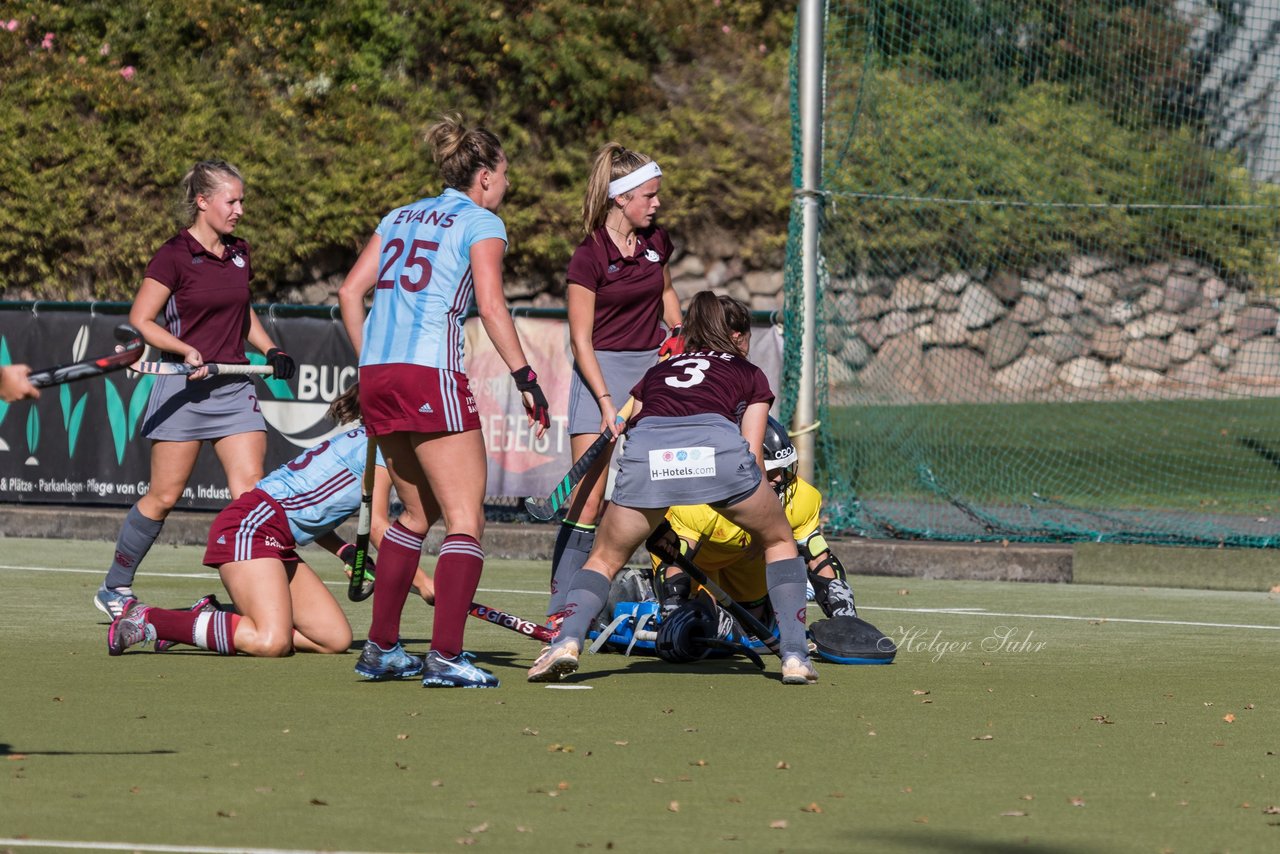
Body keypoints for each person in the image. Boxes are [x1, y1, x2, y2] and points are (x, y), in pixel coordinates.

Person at [338, 114, 550, 689]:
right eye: (504, 175)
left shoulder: (399, 215)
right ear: (484, 176)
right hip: (430, 373)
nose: (506, 185)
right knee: (465, 520)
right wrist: (527, 378)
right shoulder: (482, 222)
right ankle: (447, 656)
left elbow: (349, 292)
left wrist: (370, 363)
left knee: (415, 515)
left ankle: (381, 650)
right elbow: (491, 305)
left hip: (379, 373)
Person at [528, 292, 818, 685]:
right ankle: (796, 657)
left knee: (604, 559)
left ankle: (566, 641)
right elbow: (751, 452)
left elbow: (616, 426)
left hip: (649, 462)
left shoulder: (657, 372)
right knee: (778, 539)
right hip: (720, 459)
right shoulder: (750, 374)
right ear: (734, 335)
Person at [94, 159, 296, 620]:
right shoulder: (172, 255)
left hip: (233, 387)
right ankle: (115, 585)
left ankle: (263, 595)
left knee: (250, 492)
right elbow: (142, 321)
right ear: (203, 202)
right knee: (164, 496)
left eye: (242, 200)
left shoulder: (240, 252)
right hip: (182, 391)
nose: (240, 209)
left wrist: (271, 348)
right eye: (232, 200)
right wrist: (185, 350)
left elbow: (242, 315)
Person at [107, 384, 435, 658]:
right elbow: (378, 527)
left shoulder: (369, 441)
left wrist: (344, 550)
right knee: (271, 641)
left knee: (333, 639)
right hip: (249, 528)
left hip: (276, 538)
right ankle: (151, 618)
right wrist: (425, 585)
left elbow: (308, 510)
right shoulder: (376, 447)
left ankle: (207, 619)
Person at [545, 142, 683, 623]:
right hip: (600, 372)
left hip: (651, 372)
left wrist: (678, 333)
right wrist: (606, 402)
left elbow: (665, 291)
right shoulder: (589, 256)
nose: (657, 203)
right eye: (649, 195)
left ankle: (675, 598)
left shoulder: (655, 241)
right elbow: (581, 341)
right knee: (587, 500)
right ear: (621, 198)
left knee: (663, 484)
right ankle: (561, 614)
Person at [653, 416, 860, 627]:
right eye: (770, 471)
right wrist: (674, 607)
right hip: (697, 561)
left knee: (754, 622)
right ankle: (642, 589)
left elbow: (818, 557)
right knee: (698, 620)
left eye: (783, 469)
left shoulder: (801, 496)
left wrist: (844, 616)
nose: (780, 479)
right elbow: (677, 559)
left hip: (744, 556)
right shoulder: (699, 501)